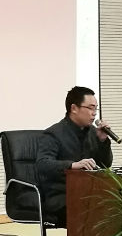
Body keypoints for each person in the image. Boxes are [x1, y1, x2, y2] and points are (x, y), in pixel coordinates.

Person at [36, 86, 113, 226]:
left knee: (115, 203)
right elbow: (43, 164)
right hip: (62, 195)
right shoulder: (53, 134)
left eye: (96, 109)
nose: (94, 113)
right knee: (94, 209)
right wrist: (72, 165)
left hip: (88, 191)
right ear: (74, 108)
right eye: (90, 108)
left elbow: (105, 165)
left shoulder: (93, 132)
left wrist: (103, 141)